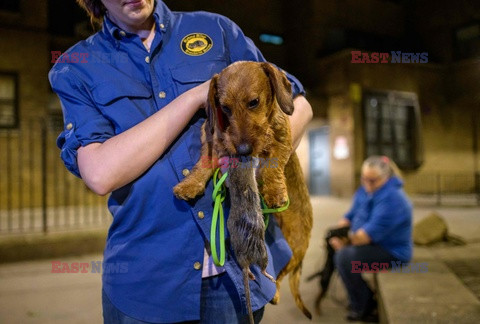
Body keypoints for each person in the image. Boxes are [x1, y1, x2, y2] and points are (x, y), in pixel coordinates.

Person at [49, 0, 313, 323]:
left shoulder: (217, 30)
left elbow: (297, 105)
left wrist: (262, 164)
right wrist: (193, 98)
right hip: (146, 290)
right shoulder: (76, 66)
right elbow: (100, 173)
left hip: (236, 277)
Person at [329, 156, 412, 322]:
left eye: (372, 180)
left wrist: (343, 241)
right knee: (340, 252)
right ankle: (361, 297)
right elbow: (350, 215)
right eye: (364, 179)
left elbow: (364, 237)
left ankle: (364, 305)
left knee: (346, 258)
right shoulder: (367, 189)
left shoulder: (392, 199)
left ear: (386, 178)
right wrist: (338, 232)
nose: (367, 184)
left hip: (392, 256)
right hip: (373, 246)